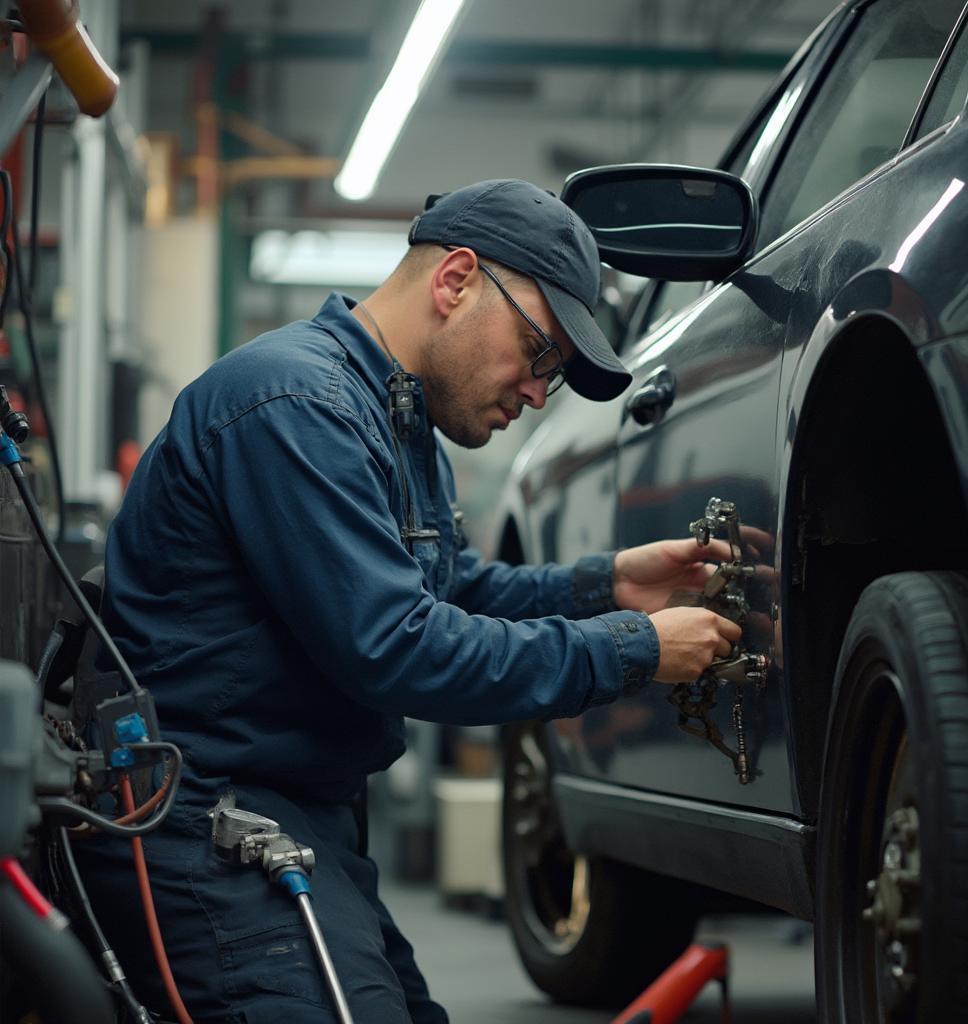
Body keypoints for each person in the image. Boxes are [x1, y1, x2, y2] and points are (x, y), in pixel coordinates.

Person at [76, 179, 741, 1024]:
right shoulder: (296, 406)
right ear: (455, 280)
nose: (539, 392)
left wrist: (604, 584)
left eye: (556, 376)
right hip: (203, 822)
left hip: (297, 818)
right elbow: (401, 645)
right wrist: (633, 648)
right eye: (539, 352)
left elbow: (452, 591)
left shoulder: (397, 420)